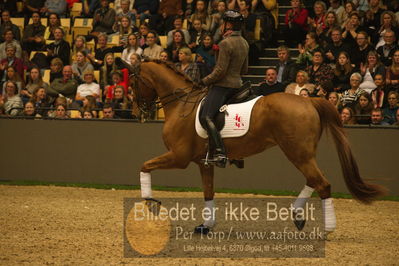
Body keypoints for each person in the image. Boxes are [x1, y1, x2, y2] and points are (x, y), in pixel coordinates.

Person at [199, 10, 249, 168]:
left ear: (228, 24)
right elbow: (244, 70)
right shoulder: (245, 42)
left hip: (224, 86)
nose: (222, 26)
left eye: (223, 23)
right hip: (238, 85)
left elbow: (220, 72)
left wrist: (204, 81)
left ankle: (220, 152)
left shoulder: (225, 43)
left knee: (206, 117)